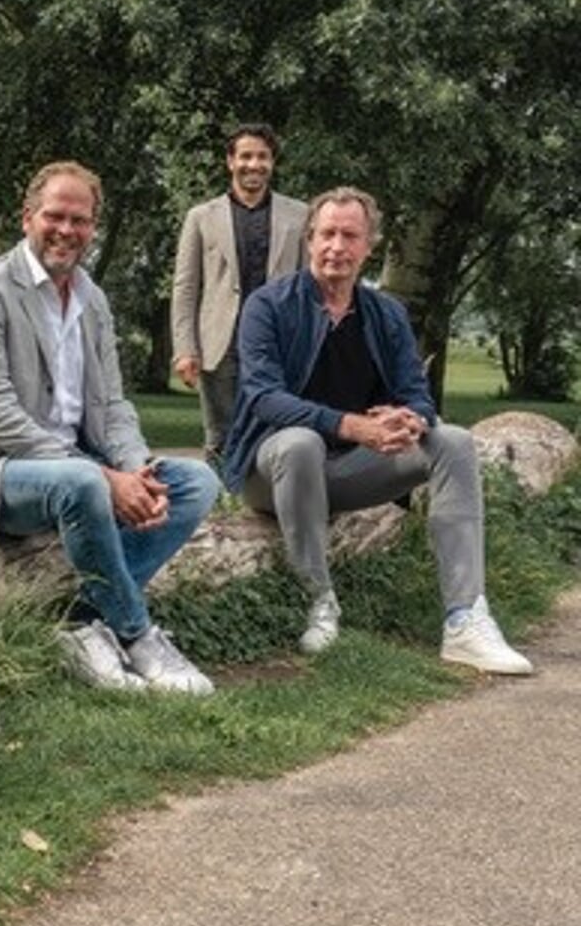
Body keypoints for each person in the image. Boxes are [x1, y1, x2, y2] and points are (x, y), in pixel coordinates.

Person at [0, 162, 220, 695]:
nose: (66, 230)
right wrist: (105, 477)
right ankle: (138, 634)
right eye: (55, 216)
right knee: (81, 484)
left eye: (80, 220)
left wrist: (135, 468)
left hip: (78, 464)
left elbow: (111, 404)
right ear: (28, 217)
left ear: (93, 228)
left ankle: (82, 623)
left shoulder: (92, 301)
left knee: (197, 484)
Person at [221, 187, 532, 673]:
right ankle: (319, 600)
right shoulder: (269, 305)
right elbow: (263, 396)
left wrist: (411, 419)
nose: (336, 247)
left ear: (370, 247)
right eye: (327, 234)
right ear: (309, 240)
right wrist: (352, 425)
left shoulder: (385, 313)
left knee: (453, 441)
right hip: (272, 468)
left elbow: (417, 392)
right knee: (301, 443)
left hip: (349, 471)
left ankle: (465, 618)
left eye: (350, 236)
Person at [169, 123, 309, 466]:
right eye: (245, 156)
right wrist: (185, 348)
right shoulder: (201, 217)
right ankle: (219, 509)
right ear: (230, 161)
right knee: (221, 435)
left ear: (272, 162)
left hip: (277, 343)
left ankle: (262, 504)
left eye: (262, 156)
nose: (254, 164)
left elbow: (309, 287)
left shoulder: (300, 216)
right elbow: (186, 287)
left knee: (276, 429)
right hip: (220, 343)